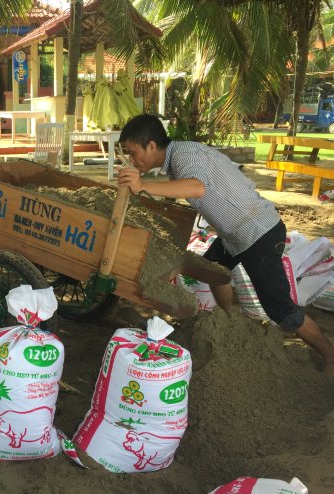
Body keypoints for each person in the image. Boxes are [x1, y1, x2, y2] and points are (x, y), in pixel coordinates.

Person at [117, 114, 334, 375]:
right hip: (238, 233)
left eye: (133, 153)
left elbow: (197, 188)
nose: (132, 159)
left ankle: (329, 355)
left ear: (152, 146)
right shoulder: (178, 159)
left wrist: (143, 186)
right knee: (213, 269)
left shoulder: (184, 155)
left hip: (257, 233)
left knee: (280, 309)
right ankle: (228, 322)